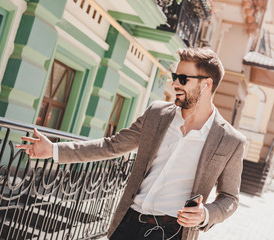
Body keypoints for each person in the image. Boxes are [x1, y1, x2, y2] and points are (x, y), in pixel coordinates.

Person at [16, 48, 246, 240]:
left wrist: (206, 214)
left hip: (171, 232)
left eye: (183, 79)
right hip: (128, 222)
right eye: (175, 76)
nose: (175, 83)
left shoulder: (230, 141)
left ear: (206, 84)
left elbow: (230, 198)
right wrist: (55, 150)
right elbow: (112, 145)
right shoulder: (157, 114)